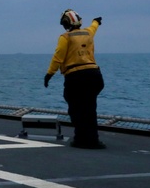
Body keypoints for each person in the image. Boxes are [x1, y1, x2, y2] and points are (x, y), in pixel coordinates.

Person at [44, 9, 105, 149]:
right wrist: (96, 21)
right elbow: (94, 26)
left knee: (76, 109)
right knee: (90, 109)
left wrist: (49, 74)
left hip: (76, 77)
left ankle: (80, 139)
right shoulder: (88, 33)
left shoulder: (65, 37)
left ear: (66, 23)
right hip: (94, 76)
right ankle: (93, 140)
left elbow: (58, 57)